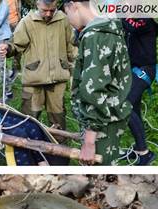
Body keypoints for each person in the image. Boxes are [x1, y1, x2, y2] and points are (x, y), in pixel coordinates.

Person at [62, 0, 132, 165]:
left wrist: (89, 140)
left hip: (101, 125)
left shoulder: (96, 36)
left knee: (97, 179)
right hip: (111, 118)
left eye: (67, 13)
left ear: (74, 5)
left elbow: (94, 89)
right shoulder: (110, 29)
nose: (68, 20)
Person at [0, 0, 76, 138]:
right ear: (37, 4)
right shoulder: (27, 22)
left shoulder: (63, 20)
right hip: (34, 79)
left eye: (52, 10)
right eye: (45, 10)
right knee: (29, 118)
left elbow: (71, 46)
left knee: (58, 118)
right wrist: (7, 48)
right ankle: (29, 149)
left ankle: (58, 154)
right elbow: (16, 45)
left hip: (58, 77)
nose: (48, 14)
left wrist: (75, 67)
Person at [122, 18, 158, 165]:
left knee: (125, 105)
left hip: (145, 70)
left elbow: (131, 27)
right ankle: (139, 149)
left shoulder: (145, 20)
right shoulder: (131, 18)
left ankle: (145, 153)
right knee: (134, 108)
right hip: (134, 69)